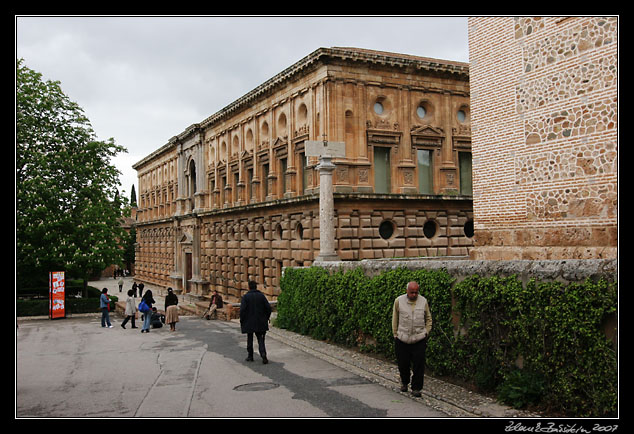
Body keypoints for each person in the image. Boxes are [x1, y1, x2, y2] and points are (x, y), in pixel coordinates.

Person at [392, 281, 432, 397]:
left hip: (419, 338)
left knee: (419, 365)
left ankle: (416, 388)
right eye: (412, 292)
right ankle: (404, 382)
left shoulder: (423, 301)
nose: (414, 295)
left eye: (416, 292)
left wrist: (426, 332)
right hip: (402, 338)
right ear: (407, 291)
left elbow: (429, 319)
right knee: (403, 364)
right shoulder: (398, 301)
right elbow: (395, 318)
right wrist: (395, 334)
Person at [240, 280, 272, 364]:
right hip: (261, 320)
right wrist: (266, 317)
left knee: (249, 338)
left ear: (249, 287)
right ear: (256, 287)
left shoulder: (246, 297)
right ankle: (263, 354)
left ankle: (250, 356)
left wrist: (242, 320)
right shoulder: (261, 296)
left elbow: (242, 310)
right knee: (260, 339)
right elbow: (268, 308)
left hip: (249, 321)